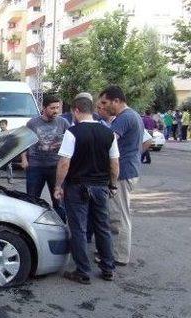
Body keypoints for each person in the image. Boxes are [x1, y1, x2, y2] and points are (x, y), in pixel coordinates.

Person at [54, 95, 120, 284]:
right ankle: (108, 268)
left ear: (76, 110)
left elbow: (64, 162)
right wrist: (112, 185)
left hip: (77, 187)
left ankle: (83, 271)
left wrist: (58, 186)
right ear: (91, 110)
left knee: (79, 229)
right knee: (103, 227)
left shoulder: (72, 132)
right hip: (100, 187)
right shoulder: (108, 133)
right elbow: (114, 164)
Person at [98, 85, 144, 266]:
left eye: (105, 102)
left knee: (119, 216)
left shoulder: (124, 118)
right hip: (128, 171)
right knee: (116, 214)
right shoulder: (131, 116)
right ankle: (112, 251)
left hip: (123, 173)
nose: (103, 106)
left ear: (116, 101)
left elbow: (107, 142)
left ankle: (118, 256)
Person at [20, 94, 70, 222]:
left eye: (57, 108)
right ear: (44, 108)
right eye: (52, 108)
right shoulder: (32, 123)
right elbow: (24, 142)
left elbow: (70, 143)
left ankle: (61, 227)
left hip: (55, 167)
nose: (56, 111)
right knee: (31, 200)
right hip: (36, 167)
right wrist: (24, 159)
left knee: (59, 201)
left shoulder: (63, 123)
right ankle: (30, 226)